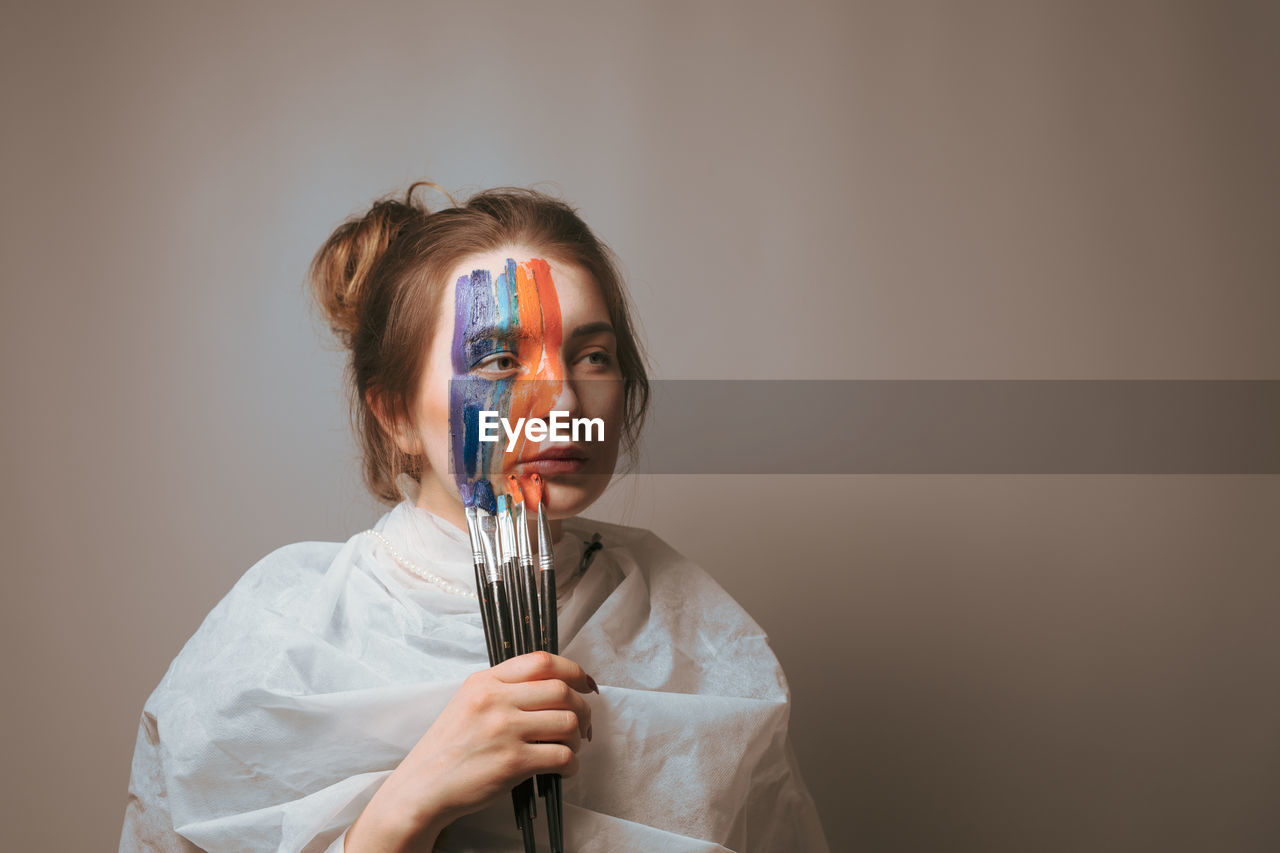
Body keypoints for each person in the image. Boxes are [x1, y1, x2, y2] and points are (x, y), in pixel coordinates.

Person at [120, 182, 830, 852]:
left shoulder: (691, 629)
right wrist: (409, 802)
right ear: (395, 412)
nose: (562, 407)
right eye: (496, 359)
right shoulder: (281, 635)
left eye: (592, 355)